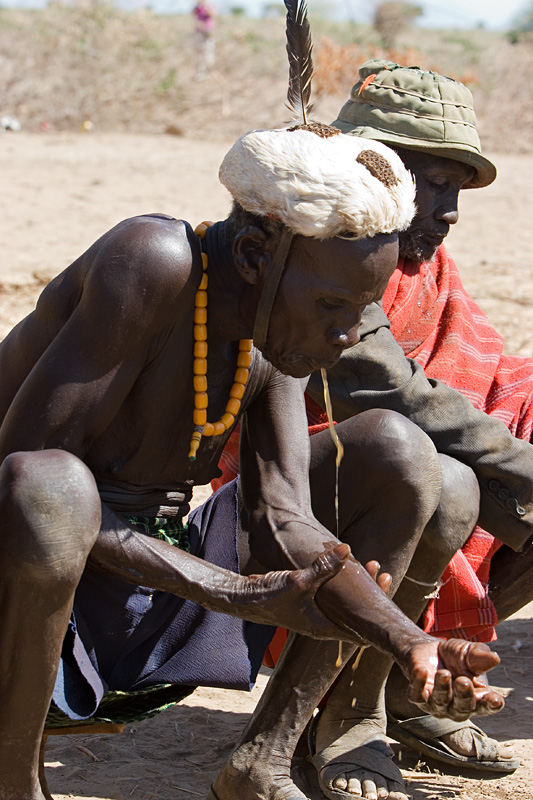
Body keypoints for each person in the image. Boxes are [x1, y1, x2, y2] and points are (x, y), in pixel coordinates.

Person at [0, 122, 506, 800]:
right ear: (251, 255)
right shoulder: (151, 260)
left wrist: (408, 641)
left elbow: (283, 517)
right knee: (54, 486)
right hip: (24, 576)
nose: (348, 334)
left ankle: (262, 762)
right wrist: (229, 591)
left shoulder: (266, 326)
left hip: (146, 580)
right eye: (331, 304)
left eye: (360, 310)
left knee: (395, 450)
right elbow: (28, 492)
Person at [212, 62, 533, 796]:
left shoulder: (421, 263)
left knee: (479, 459)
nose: (450, 211)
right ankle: (346, 716)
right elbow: (392, 391)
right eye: (435, 183)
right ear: (375, 170)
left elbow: (467, 381)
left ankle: (402, 691)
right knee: (440, 476)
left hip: (387, 465)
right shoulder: (323, 250)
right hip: (276, 501)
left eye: (457, 188)